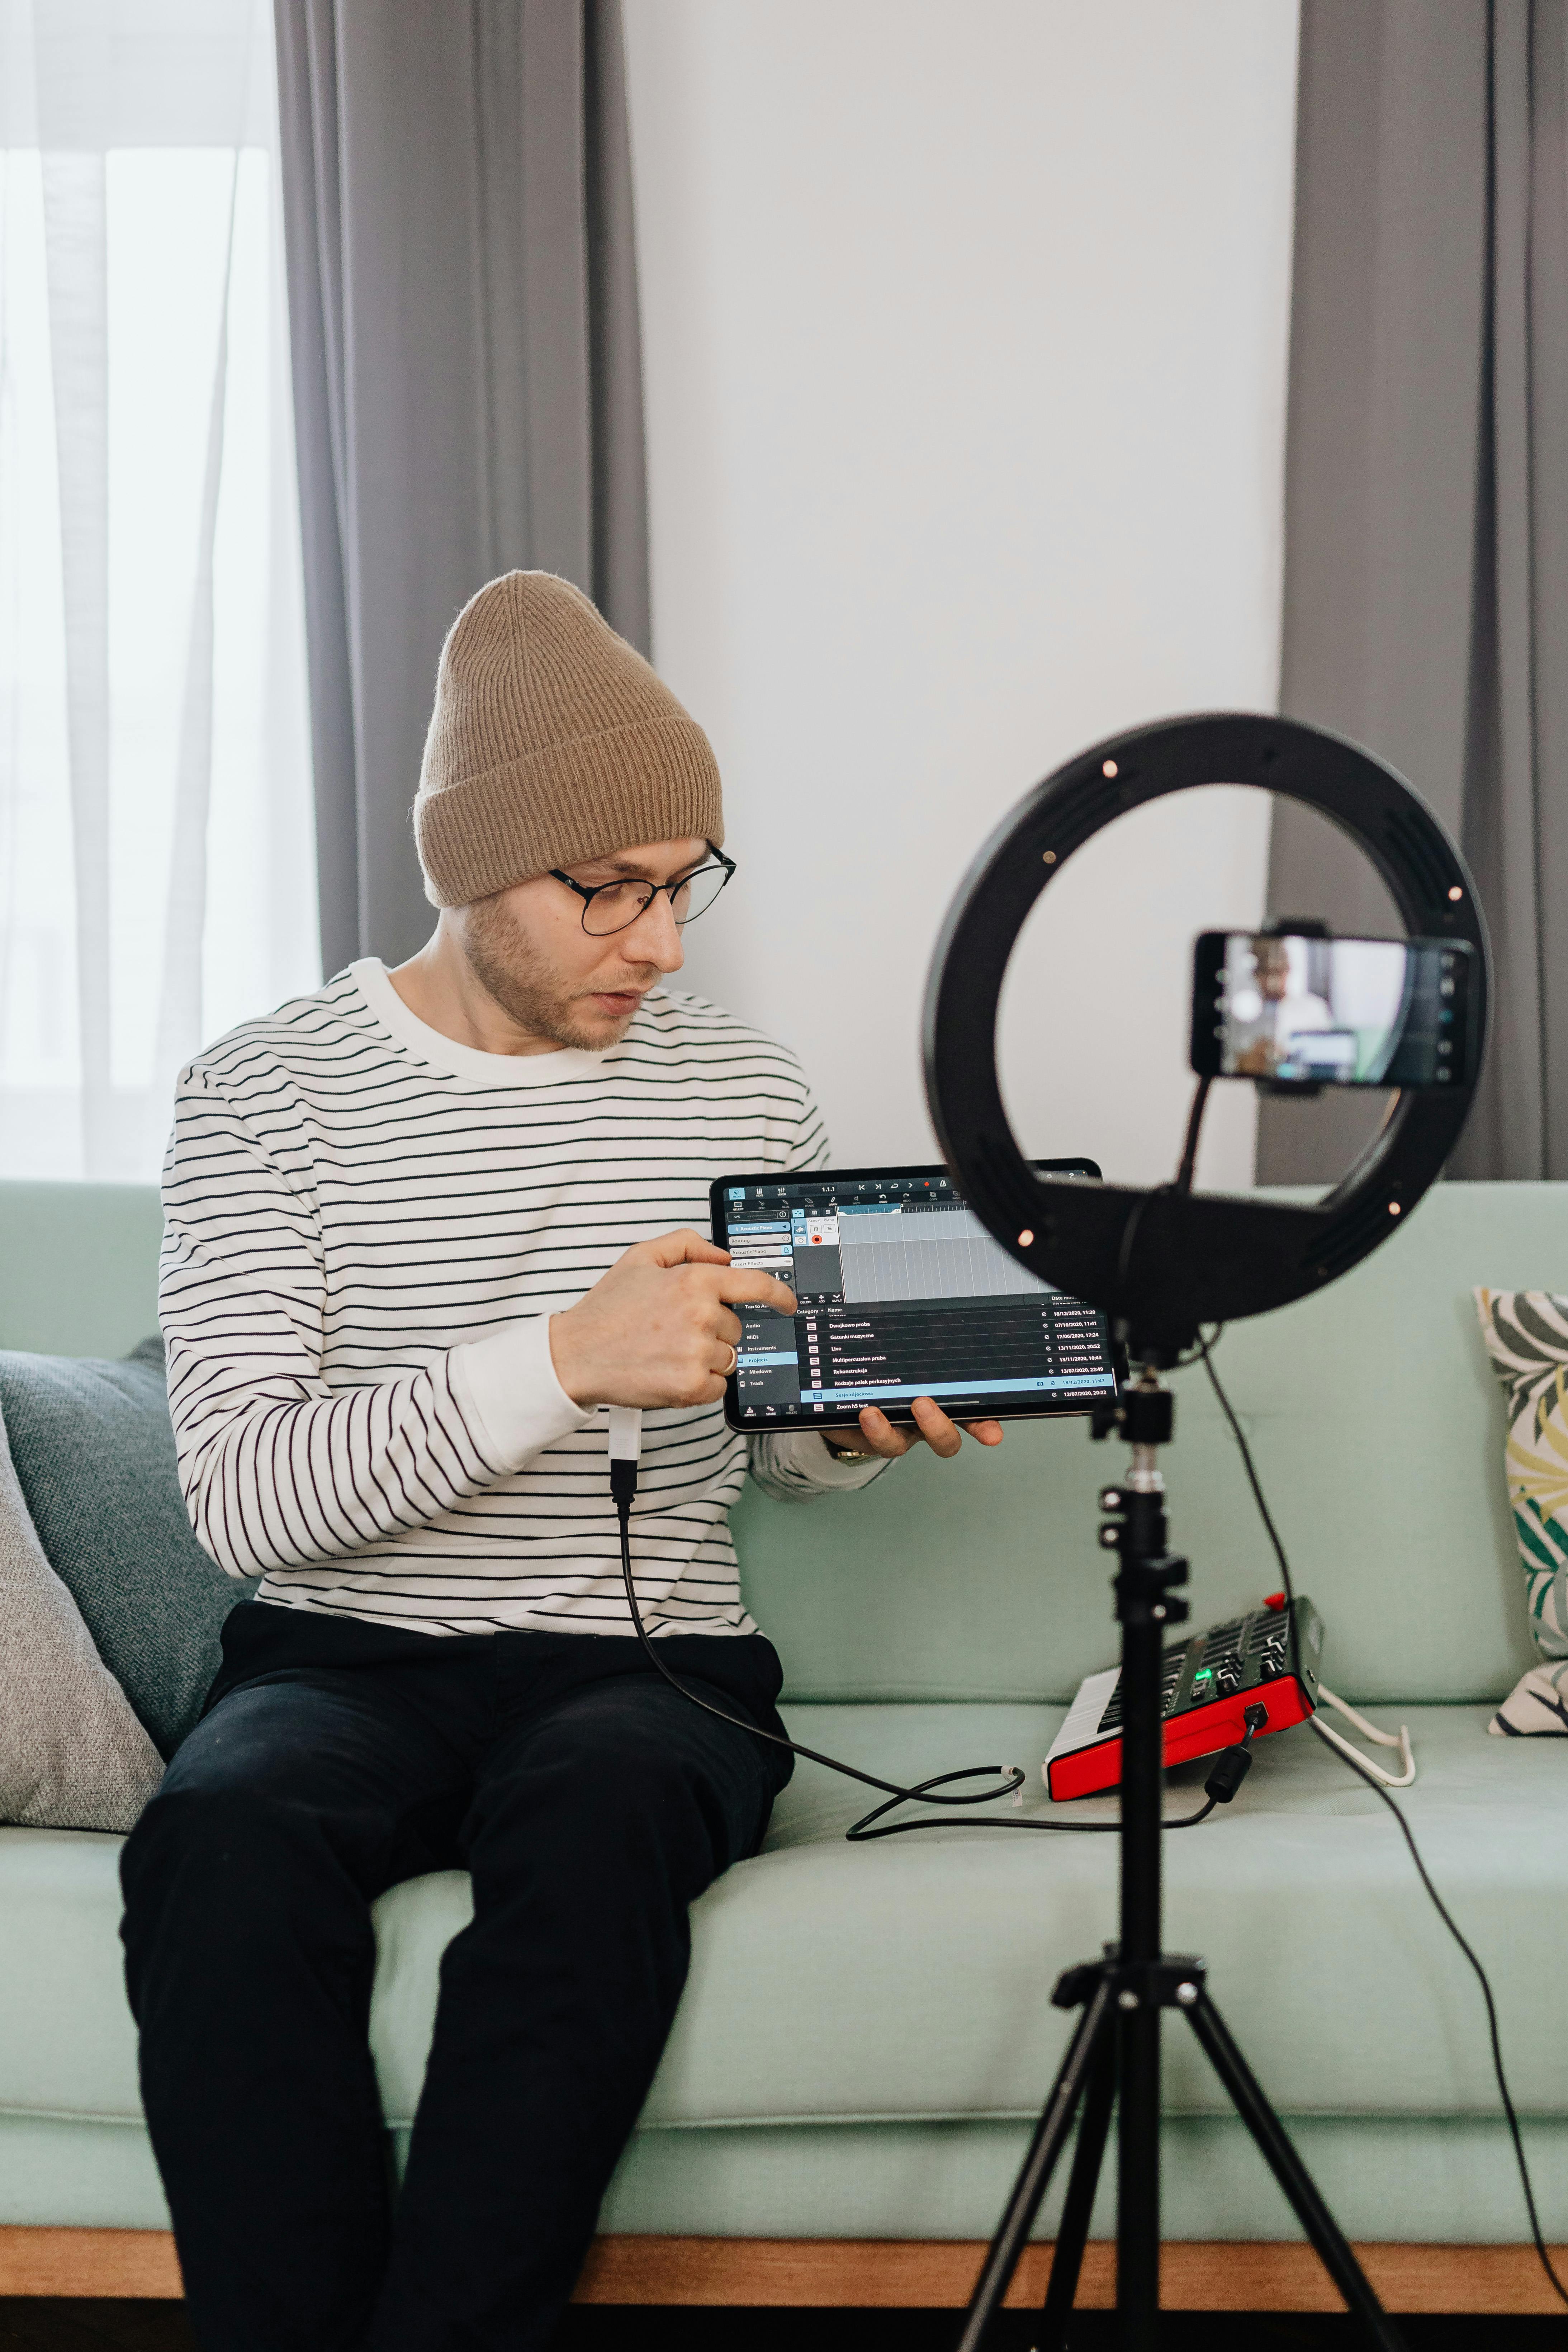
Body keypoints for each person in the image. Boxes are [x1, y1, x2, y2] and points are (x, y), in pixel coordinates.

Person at [120, 572, 1003, 2352]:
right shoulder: (259, 1096)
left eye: (683, 885)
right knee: (219, 1840)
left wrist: (841, 1424)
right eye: (606, 888)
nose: (659, 941)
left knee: (598, 1817)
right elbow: (243, 1499)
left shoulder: (746, 1091)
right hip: (340, 1659)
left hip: (651, 1667)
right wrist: (555, 1361)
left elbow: (793, 1472)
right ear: (469, 864)